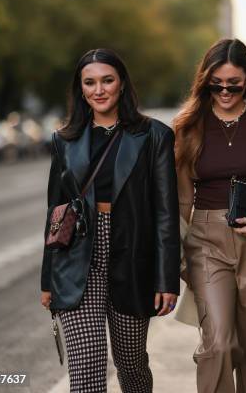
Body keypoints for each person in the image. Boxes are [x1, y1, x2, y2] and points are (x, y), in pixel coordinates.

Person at [40, 48, 180, 393]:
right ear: (81, 88)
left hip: (132, 255)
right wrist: (48, 280)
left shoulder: (154, 136)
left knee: (131, 366)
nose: (98, 90)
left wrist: (167, 279)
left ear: (121, 85)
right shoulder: (64, 140)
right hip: (75, 258)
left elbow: (165, 213)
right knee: (86, 371)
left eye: (107, 81)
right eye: (90, 82)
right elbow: (56, 213)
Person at [174, 38, 246, 393]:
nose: (225, 91)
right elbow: (181, 202)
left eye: (234, 84)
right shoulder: (188, 126)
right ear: (205, 81)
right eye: (216, 84)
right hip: (207, 242)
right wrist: (179, 259)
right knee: (218, 345)